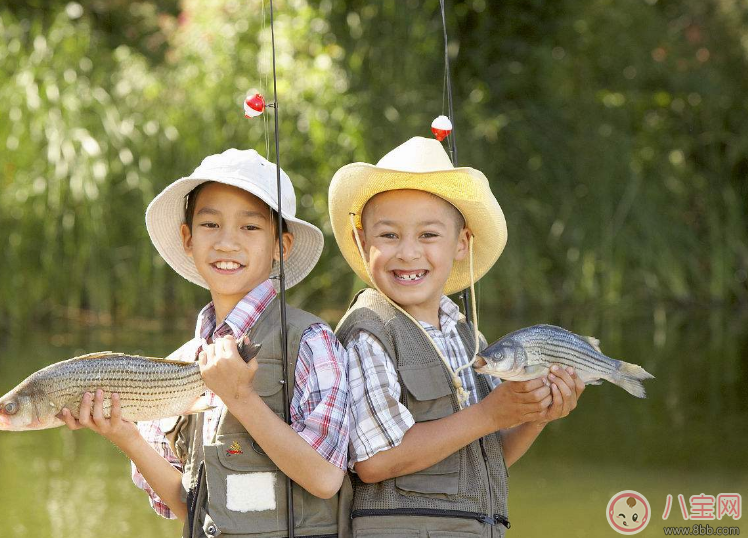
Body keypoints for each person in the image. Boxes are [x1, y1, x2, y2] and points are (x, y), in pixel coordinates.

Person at [59, 148, 352, 538]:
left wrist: (241, 397)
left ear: (281, 246)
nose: (227, 243)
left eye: (250, 228)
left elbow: (325, 476)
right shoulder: (180, 363)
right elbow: (185, 504)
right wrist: (123, 434)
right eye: (210, 225)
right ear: (188, 238)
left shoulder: (311, 343)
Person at [327, 136, 585, 538]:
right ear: (363, 242)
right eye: (389, 235)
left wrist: (533, 416)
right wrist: (489, 413)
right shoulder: (368, 333)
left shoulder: (465, 335)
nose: (408, 253)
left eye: (428, 235)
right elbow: (376, 460)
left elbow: (487, 453)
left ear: (462, 243)